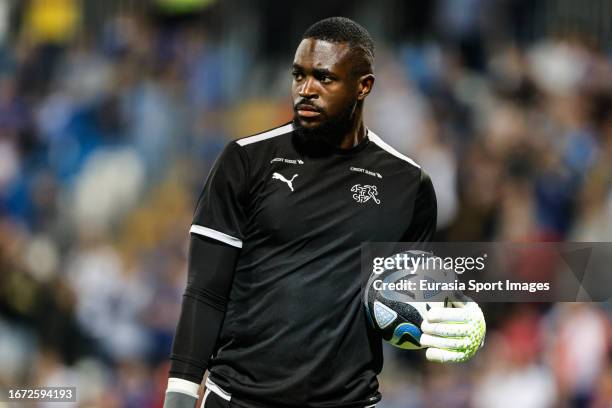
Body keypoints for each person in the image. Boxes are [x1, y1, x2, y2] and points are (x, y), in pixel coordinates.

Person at [164, 17, 485, 408]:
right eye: (298, 76)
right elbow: (205, 291)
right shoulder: (246, 160)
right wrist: (180, 392)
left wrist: (460, 319)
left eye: (324, 78)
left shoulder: (409, 187)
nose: (305, 90)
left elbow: (404, 296)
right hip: (238, 399)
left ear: (363, 86)